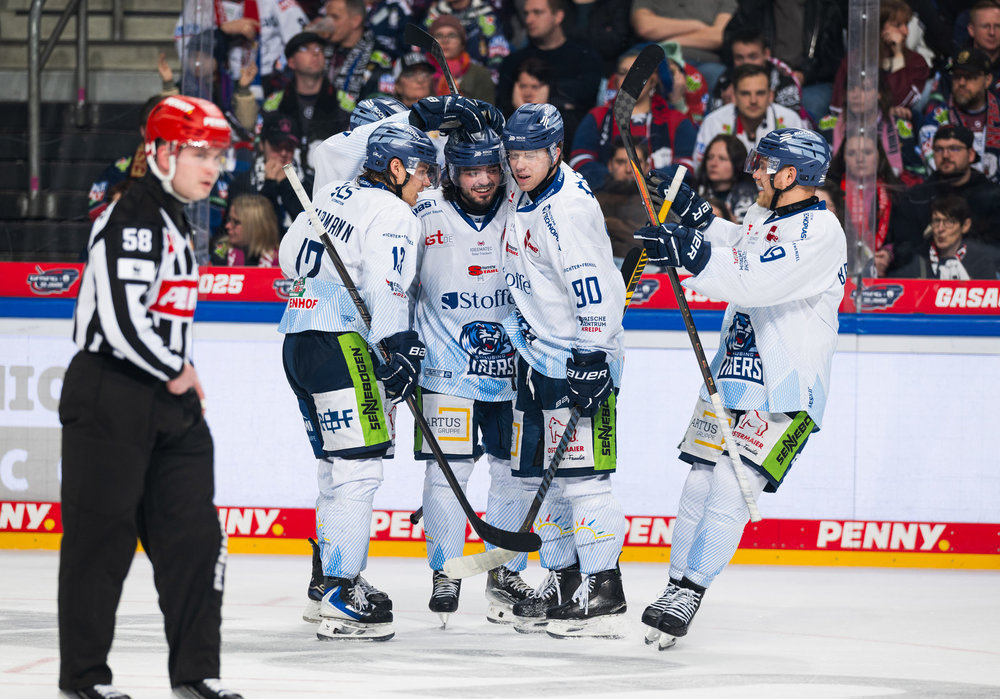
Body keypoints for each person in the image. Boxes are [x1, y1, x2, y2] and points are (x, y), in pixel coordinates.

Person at [633, 128, 846, 647]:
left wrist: (689, 251)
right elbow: (741, 243)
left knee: (731, 488)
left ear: (789, 174)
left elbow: (756, 278)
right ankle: (673, 588)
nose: (754, 170)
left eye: (763, 163)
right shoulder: (763, 215)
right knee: (697, 485)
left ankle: (690, 591)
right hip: (734, 375)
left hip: (786, 390)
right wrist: (697, 215)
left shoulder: (822, 231)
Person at [59, 95, 242, 699]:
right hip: (111, 395)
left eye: (217, 155)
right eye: (199, 153)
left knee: (195, 539)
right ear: (161, 152)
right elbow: (120, 320)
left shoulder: (172, 217)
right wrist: (176, 371)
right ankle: (84, 677)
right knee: (101, 541)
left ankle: (196, 673)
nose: (213, 167)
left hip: (166, 400)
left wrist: (178, 377)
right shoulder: (134, 215)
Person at [277, 121, 439, 641]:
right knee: (358, 470)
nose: (428, 183)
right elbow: (388, 285)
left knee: (334, 468)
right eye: (423, 171)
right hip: (341, 344)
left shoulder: (330, 194)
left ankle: (327, 582)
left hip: (298, 338)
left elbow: (286, 257)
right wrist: (399, 346)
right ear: (395, 168)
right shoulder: (393, 212)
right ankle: (341, 593)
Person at [500, 103, 629, 638]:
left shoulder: (567, 209)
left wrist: (593, 355)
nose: (519, 163)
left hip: (575, 359)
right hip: (536, 357)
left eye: (531, 153)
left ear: (556, 152)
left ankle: (603, 588)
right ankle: (565, 577)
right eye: (513, 152)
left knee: (582, 480)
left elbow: (593, 287)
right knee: (542, 480)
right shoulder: (525, 190)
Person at [408, 128, 537, 626]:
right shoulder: (424, 211)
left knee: (513, 475)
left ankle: (504, 573)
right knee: (447, 474)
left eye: (489, 169)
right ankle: (446, 570)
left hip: (513, 372)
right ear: (451, 173)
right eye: (469, 171)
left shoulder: (522, 206)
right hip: (445, 370)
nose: (482, 180)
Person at [569, 46, 697, 191]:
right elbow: (579, 161)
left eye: (638, 73)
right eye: (623, 73)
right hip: (606, 197)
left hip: (660, 202)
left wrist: (646, 183)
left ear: (653, 81)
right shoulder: (597, 116)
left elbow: (687, 167)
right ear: (616, 80)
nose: (629, 80)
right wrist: (616, 181)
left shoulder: (677, 120)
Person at [497, 0, 604, 146]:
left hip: (571, 144)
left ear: (558, 16)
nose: (529, 20)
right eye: (526, 13)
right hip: (521, 144)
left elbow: (585, 102)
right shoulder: (512, 62)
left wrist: (541, 100)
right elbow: (505, 107)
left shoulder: (585, 58)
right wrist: (561, 102)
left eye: (537, 12)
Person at [262, 32, 351, 175]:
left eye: (319, 49)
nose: (315, 53)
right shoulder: (273, 103)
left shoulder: (346, 102)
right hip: (285, 179)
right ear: (291, 62)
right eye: (304, 49)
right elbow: (262, 147)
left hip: (330, 181)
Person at [694, 64, 809, 170]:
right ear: (734, 96)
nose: (753, 100)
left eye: (760, 93)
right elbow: (700, 168)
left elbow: (802, 167)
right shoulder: (713, 122)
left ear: (770, 95)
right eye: (745, 93)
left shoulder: (790, 121)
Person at [920, 48, 1000, 183]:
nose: (961, 83)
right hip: (953, 191)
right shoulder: (936, 119)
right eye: (957, 76)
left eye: (970, 77)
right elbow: (938, 167)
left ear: (987, 80)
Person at [630, 0, 735, 91]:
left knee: (722, 77)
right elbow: (644, 27)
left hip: (705, 63)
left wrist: (668, 41)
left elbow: (719, 37)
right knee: (633, 73)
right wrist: (697, 26)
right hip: (659, 60)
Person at [230, 111, 309, 233]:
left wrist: (286, 184)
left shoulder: (308, 183)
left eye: (289, 146)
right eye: (276, 146)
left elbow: (309, 225)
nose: (283, 153)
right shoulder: (242, 183)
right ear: (262, 145)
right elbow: (255, 228)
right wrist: (269, 185)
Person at [895, 193, 1000, 278]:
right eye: (936, 221)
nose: (940, 229)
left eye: (949, 222)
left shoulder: (980, 261)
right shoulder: (919, 259)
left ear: (965, 225)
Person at [428, 14, 496, 104]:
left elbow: (487, 110)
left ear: (462, 44)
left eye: (452, 35)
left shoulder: (480, 74)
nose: (445, 41)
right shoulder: (421, 71)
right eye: (439, 36)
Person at [693, 134, 757, 221]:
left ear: (737, 163)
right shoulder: (695, 189)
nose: (713, 163)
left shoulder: (747, 193)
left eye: (722, 158)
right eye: (710, 157)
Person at [210, 194, 281, 266]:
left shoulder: (281, 259)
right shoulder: (221, 250)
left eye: (236, 222)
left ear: (256, 227)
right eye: (229, 219)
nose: (227, 226)